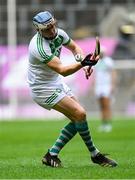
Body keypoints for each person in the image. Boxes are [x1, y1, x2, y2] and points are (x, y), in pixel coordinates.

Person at [28, 11, 118, 168]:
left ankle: (52, 155)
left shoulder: (59, 33)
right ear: (39, 30)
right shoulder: (38, 47)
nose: (52, 30)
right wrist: (84, 63)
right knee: (80, 114)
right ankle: (95, 155)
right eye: (47, 29)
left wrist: (83, 63)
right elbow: (62, 69)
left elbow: (75, 47)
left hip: (55, 83)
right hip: (42, 89)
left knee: (78, 119)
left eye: (53, 25)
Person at [94, 46, 117, 132]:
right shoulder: (96, 62)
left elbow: (113, 73)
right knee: (101, 106)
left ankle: (108, 124)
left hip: (106, 86)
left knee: (106, 105)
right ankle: (103, 124)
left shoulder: (108, 61)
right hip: (98, 86)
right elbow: (95, 76)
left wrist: (112, 85)